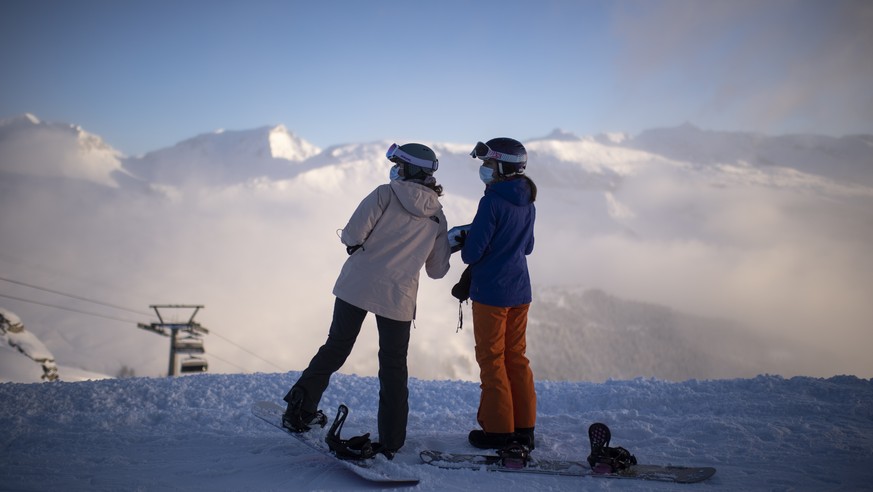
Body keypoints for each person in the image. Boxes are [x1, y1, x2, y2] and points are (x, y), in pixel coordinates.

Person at [282, 142, 451, 459]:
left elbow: (351, 236)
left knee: (336, 347)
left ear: (409, 169)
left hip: (357, 285)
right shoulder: (437, 219)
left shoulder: (384, 195)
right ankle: (391, 441)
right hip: (397, 298)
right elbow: (437, 271)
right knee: (393, 368)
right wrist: (446, 245)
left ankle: (299, 410)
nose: (395, 170)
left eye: (399, 165)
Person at [460, 137, 537, 450]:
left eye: (488, 164)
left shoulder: (491, 201)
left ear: (503, 166)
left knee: (492, 360)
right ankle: (524, 428)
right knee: (516, 358)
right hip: (521, 291)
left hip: (492, 293)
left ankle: (498, 431)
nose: (483, 169)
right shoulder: (528, 200)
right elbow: (528, 246)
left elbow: (471, 253)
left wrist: (464, 239)